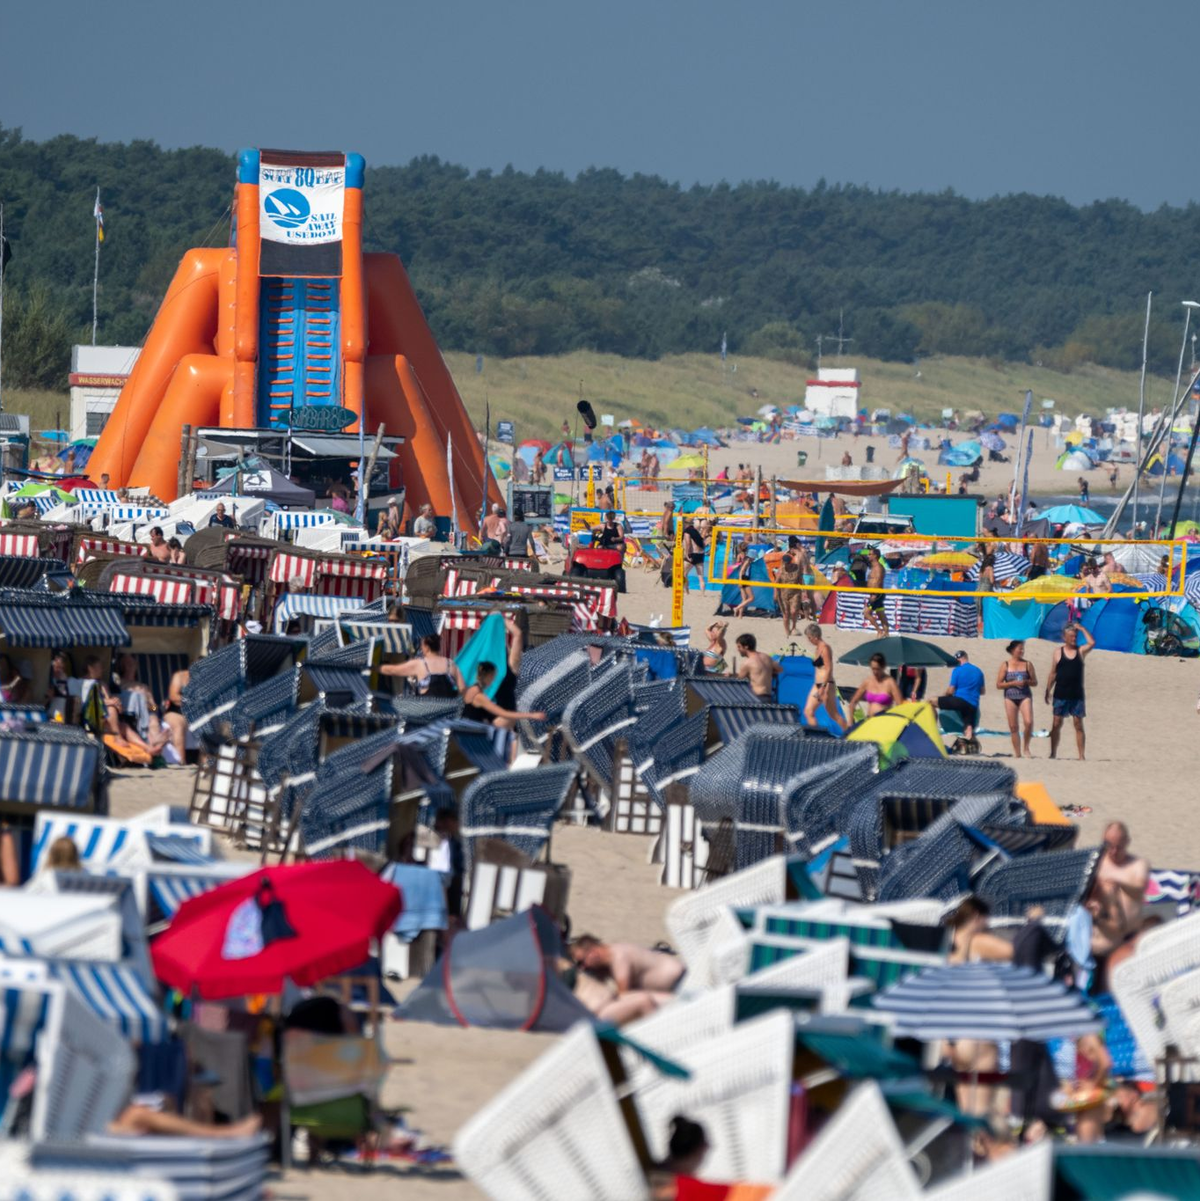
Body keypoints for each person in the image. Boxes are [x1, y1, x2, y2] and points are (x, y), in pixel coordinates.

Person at [1090, 822, 1150, 963]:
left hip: (1129, 938)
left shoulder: (1138, 864)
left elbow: (1139, 889)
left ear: (1127, 842)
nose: (1114, 851)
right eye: (1109, 846)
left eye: (1119, 847)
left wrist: (1120, 883)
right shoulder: (1096, 864)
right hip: (1103, 935)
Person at [569, 935, 684, 995]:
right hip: (672, 987)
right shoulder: (607, 963)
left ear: (593, 953)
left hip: (680, 982)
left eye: (582, 961)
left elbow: (624, 994)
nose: (583, 967)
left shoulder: (618, 956)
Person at [1045, 623, 1094, 760]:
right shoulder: (1058, 652)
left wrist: (1082, 629)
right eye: (1071, 636)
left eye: (1075, 636)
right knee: (1056, 724)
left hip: (1076, 695)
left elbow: (1092, 643)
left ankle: (1081, 755)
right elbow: (1053, 673)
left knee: (1078, 724)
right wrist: (1047, 689)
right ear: (1064, 637)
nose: (1074, 638)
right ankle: (1053, 753)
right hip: (1060, 693)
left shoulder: (1080, 651)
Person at [460, 661, 546, 729]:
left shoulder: (472, 689)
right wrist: (532, 715)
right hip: (472, 733)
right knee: (508, 721)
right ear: (488, 676)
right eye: (493, 677)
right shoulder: (479, 697)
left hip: (466, 728)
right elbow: (504, 713)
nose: (493, 680)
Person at [380, 633, 465, 698]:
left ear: (427, 647)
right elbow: (462, 689)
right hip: (448, 712)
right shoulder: (451, 664)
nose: (421, 648)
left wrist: (376, 667)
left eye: (422, 645)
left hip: (427, 711)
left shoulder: (420, 663)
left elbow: (393, 670)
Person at [997, 639, 1038, 758]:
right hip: (1010, 697)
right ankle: (1017, 753)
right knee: (1013, 726)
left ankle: (1026, 748)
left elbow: (1034, 682)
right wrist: (1012, 683)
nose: (1022, 651)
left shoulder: (1028, 664)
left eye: (1022, 649)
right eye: (1019, 649)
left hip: (1025, 696)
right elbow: (999, 684)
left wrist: (1026, 682)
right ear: (1012, 650)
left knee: (1028, 722)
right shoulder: (1005, 665)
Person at [938, 649, 985, 749]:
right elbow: (982, 691)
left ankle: (930, 731)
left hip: (959, 701)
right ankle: (968, 745)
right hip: (973, 704)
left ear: (958, 660)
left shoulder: (957, 670)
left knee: (931, 701)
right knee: (969, 726)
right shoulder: (978, 671)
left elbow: (950, 691)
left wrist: (943, 696)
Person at [802, 623, 845, 731]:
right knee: (808, 711)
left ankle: (850, 734)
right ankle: (815, 736)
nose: (809, 640)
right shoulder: (817, 648)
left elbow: (829, 669)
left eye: (809, 638)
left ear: (815, 637)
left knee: (834, 715)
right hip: (817, 684)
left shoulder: (825, 648)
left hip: (826, 685)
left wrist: (823, 687)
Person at [848, 653, 903, 717]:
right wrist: (850, 720)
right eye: (873, 669)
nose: (875, 672)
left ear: (883, 667)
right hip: (869, 719)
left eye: (877, 669)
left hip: (884, 719)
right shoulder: (868, 681)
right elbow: (853, 701)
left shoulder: (890, 682)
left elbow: (900, 705)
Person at [772, 536, 805, 637]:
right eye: (784, 563)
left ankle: (793, 627)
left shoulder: (796, 568)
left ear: (790, 562)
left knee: (794, 611)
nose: (786, 565)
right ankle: (787, 631)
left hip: (795, 592)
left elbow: (801, 581)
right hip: (783, 594)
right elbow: (776, 583)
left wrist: (804, 592)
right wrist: (775, 594)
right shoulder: (781, 570)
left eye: (787, 563)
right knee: (786, 614)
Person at [733, 633, 780, 699]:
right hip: (768, 697)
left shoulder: (747, 663)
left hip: (756, 697)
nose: (738, 649)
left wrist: (732, 676)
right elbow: (779, 670)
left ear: (746, 647)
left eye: (739, 647)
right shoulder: (767, 657)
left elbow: (739, 680)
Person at [160, 668, 190, 764]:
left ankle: (206, 764)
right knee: (178, 726)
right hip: (176, 712)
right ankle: (180, 761)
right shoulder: (179, 676)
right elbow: (173, 696)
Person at [864, 547, 889, 637]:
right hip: (875, 593)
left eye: (870, 554)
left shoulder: (878, 567)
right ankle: (886, 633)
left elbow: (878, 581)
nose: (868, 556)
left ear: (875, 556)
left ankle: (879, 631)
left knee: (866, 613)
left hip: (876, 593)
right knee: (881, 614)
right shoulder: (873, 567)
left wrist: (874, 595)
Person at [681, 517, 705, 593]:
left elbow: (688, 543)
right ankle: (703, 594)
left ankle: (686, 591)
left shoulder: (687, 532)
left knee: (682, 573)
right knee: (700, 576)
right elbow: (703, 544)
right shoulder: (696, 532)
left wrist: (687, 554)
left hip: (692, 554)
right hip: (700, 554)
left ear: (685, 524)